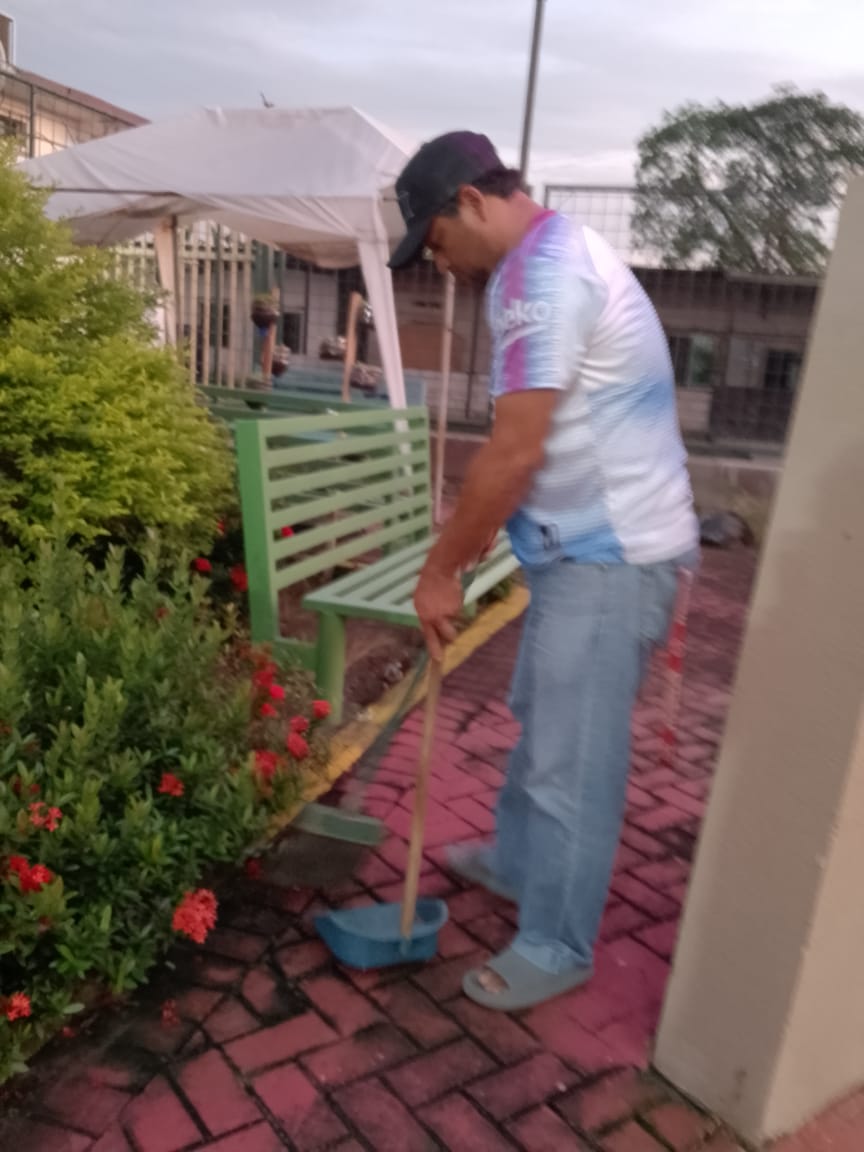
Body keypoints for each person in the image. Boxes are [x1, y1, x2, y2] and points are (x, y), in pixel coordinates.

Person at [388, 131, 700, 1013]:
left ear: (471, 201)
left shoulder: (543, 275)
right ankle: (523, 863)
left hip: (612, 559)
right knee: (543, 721)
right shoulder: (546, 259)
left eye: (436, 243)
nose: (440, 265)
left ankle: (557, 943)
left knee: (573, 759)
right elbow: (545, 440)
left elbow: (516, 449)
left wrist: (441, 571)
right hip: (582, 554)